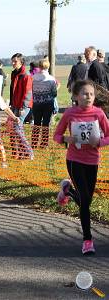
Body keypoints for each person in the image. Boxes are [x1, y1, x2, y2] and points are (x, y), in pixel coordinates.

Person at [53, 80, 109, 255]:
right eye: (85, 94)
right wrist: (66, 139)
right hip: (74, 160)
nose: (89, 97)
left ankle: (67, 190)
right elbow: (56, 135)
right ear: (76, 96)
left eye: (91, 94)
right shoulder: (70, 113)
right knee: (85, 201)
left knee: (87, 201)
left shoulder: (98, 113)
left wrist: (99, 142)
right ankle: (87, 240)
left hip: (92, 161)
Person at [8, 53, 33, 160]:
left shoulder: (26, 75)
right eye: (12, 61)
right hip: (14, 104)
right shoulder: (14, 73)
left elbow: (28, 93)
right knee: (13, 129)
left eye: (15, 61)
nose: (13, 63)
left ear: (21, 62)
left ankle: (29, 152)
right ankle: (18, 153)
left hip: (23, 106)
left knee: (17, 128)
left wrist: (23, 107)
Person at [31, 59, 57, 148]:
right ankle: (44, 144)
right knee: (46, 124)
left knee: (36, 124)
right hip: (48, 104)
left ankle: (34, 143)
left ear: (39, 66)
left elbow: (31, 90)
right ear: (48, 66)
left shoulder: (33, 78)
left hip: (36, 103)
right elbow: (54, 93)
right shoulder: (51, 79)